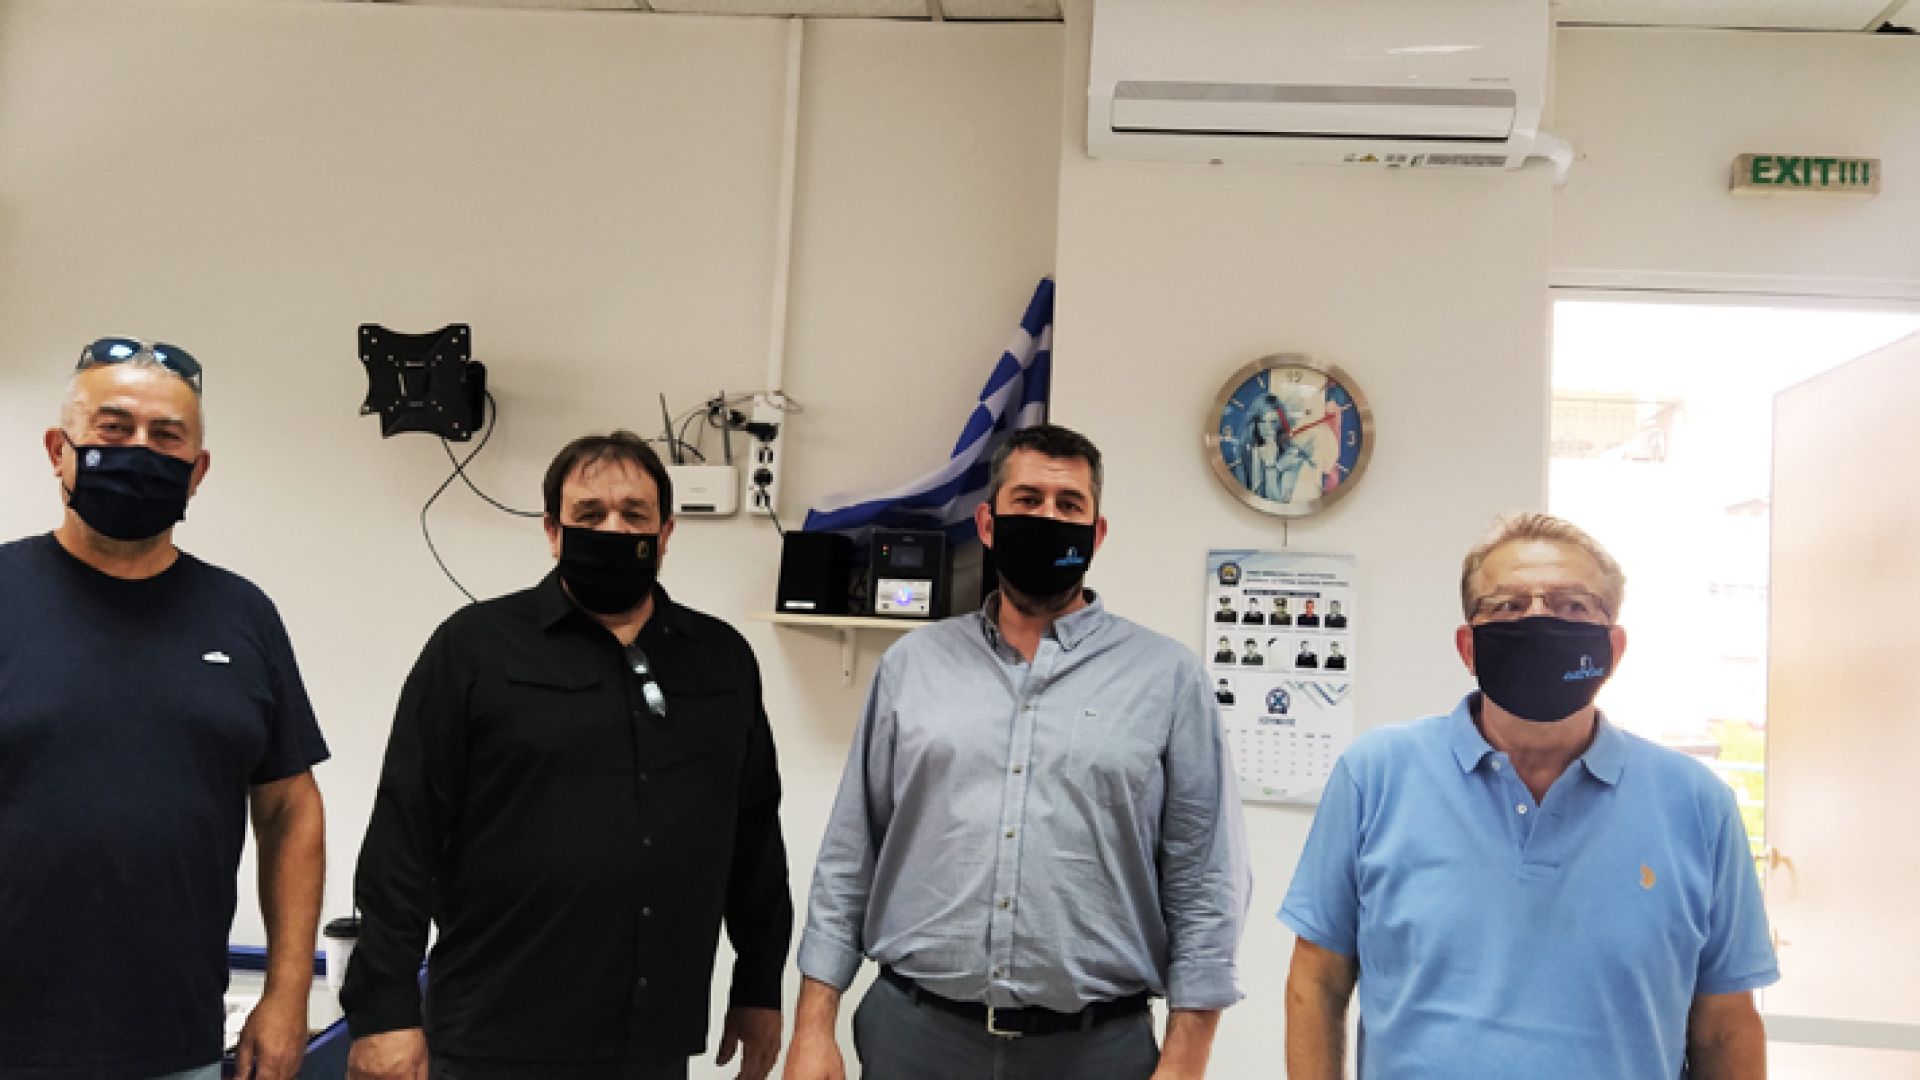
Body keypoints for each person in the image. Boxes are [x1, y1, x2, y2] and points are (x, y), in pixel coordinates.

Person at [786, 423, 1250, 1080]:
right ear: (988, 523)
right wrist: (812, 1027)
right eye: (1027, 500)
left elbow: (1205, 882)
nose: (1047, 518)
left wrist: (1185, 1061)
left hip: (1096, 1052)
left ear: (1097, 533)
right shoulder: (912, 666)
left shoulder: (1169, 680)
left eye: (1069, 505)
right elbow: (849, 857)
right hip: (916, 1039)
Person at [344, 432, 792, 1080]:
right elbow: (402, 836)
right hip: (495, 1035)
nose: (613, 529)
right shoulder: (475, 649)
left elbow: (754, 840)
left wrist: (759, 986)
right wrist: (384, 1011)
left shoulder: (720, 661)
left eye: (634, 514)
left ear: (666, 532)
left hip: (652, 1044)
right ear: (553, 531)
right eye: (589, 514)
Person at [1280, 512, 1776, 1080]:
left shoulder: (1697, 804)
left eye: (1573, 605)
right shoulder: (1375, 776)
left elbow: (1725, 1026)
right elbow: (1317, 979)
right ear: (1468, 647)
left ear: (1613, 647)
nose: (1540, 620)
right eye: (1509, 606)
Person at [0, 337, 329, 1080]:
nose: (140, 451)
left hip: (174, 1042)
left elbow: (290, 808)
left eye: (166, 436)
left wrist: (286, 996)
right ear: (58, 450)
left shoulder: (243, 615)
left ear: (198, 470)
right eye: (114, 429)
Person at [1230, 398, 1313, 503]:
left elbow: (1278, 503)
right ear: (1255, 424)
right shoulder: (1246, 453)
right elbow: (1241, 496)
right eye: (1262, 421)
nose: (1267, 427)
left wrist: (1270, 464)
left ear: (1280, 424)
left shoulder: (1292, 457)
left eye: (1273, 422)